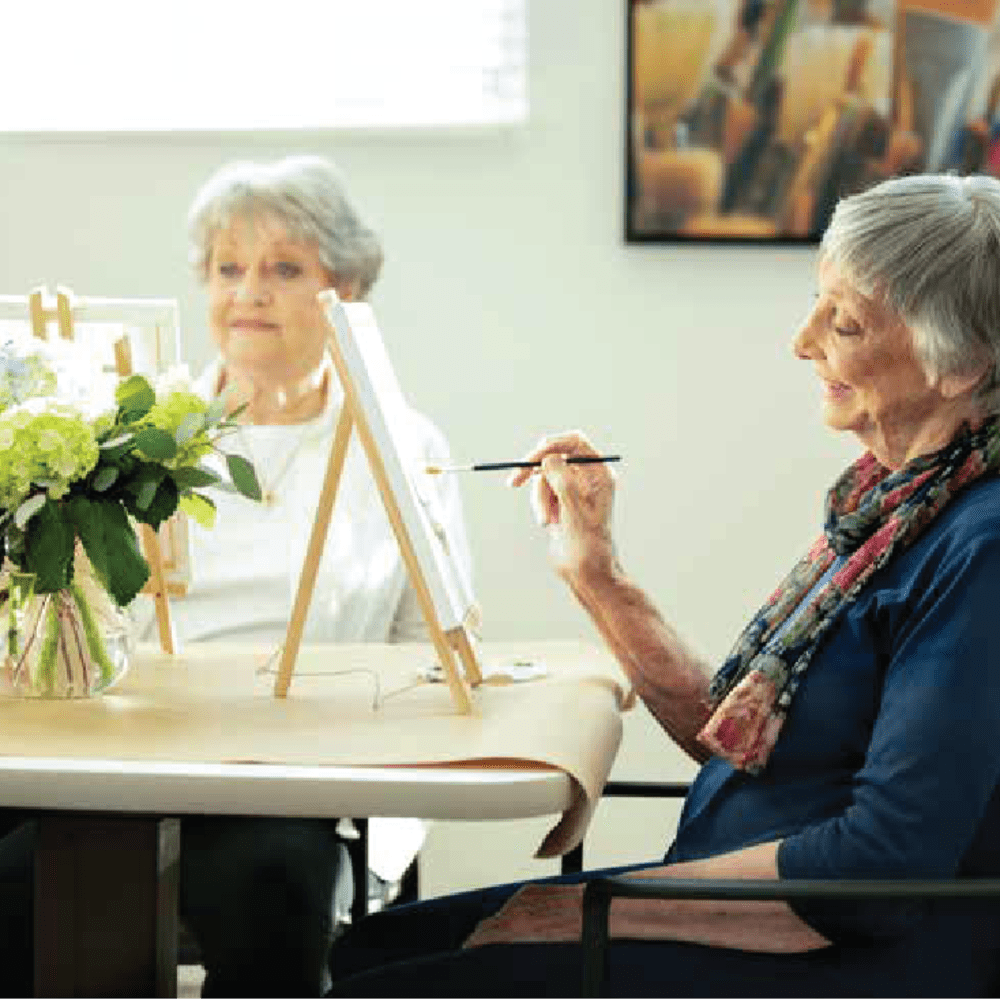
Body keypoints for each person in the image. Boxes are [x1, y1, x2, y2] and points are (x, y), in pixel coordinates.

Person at [322, 172, 1000, 999]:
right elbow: (749, 747)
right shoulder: (893, 504)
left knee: (380, 983)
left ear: (960, 364)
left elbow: (881, 872)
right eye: (815, 302)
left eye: (845, 320)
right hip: (758, 911)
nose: (802, 340)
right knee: (376, 945)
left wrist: (610, 909)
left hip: (857, 955)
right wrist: (595, 574)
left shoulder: (980, 545)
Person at [143, 154, 472, 997]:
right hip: (137, 763)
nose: (248, 292)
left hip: (298, 782)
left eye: (284, 269)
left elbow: (430, 652)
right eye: (229, 268)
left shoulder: (403, 445)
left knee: (275, 887)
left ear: (345, 292)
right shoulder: (142, 433)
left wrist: (389, 841)